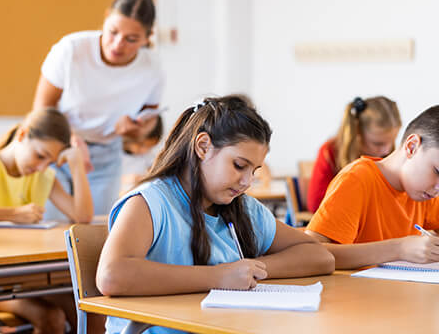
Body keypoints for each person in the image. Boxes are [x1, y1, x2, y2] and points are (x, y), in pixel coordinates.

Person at [96, 95, 335, 334]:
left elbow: (320, 256)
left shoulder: (244, 209)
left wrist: (248, 270)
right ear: (203, 146)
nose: (247, 181)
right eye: (239, 166)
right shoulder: (150, 202)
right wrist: (219, 276)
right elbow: (111, 276)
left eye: (254, 170)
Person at [0, 108, 93, 333]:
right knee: (51, 316)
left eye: (49, 161)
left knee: (87, 310)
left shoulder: (42, 176)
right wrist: (12, 213)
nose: (41, 166)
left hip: (22, 278)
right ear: (22, 135)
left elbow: (82, 216)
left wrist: (76, 164)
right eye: (40, 156)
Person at [32, 0, 165, 219]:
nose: (117, 44)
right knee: (51, 226)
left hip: (106, 155)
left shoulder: (152, 68)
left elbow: (149, 120)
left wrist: (134, 130)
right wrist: (72, 141)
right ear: (105, 18)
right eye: (113, 32)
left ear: (147, 37)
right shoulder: (71, 49)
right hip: (57, 149)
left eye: (131, 39)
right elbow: (42, 111)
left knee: (97, 230)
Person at [306, 105, 439, 269]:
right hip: (354, 292)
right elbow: (312, 254)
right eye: (437, 171)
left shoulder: (424, 192)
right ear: (412, 147)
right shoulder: (357, 180)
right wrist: (399, 249)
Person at [307, 96, 401, 213]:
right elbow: (316, 204)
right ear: (357, 133)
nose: (386, 151)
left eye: (392, 141)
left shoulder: (390, 154)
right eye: (378, 143)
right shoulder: (330, 152)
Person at [120, 115, 163, 194]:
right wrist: (130, 179)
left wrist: (145, 178)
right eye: (142, 145)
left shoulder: (148, 156)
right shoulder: (117, 154)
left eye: (149, 147)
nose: (144, 150)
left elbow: (154, 174)